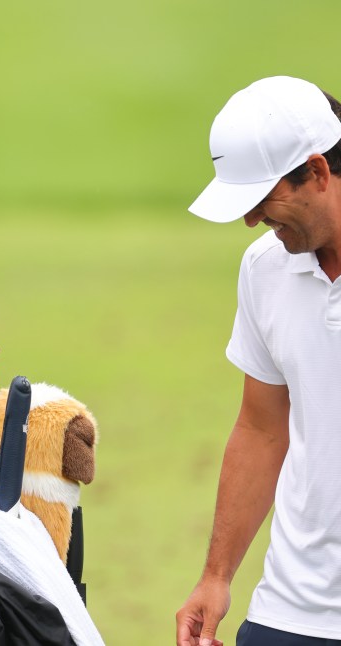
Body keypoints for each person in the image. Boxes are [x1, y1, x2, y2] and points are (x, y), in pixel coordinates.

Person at [177, 75, 341, 646]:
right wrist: (216, 576)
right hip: (292, 609)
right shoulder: (264, 267)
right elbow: (261, 428)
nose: (251, 221)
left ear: (318, 172)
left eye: (260, 199)